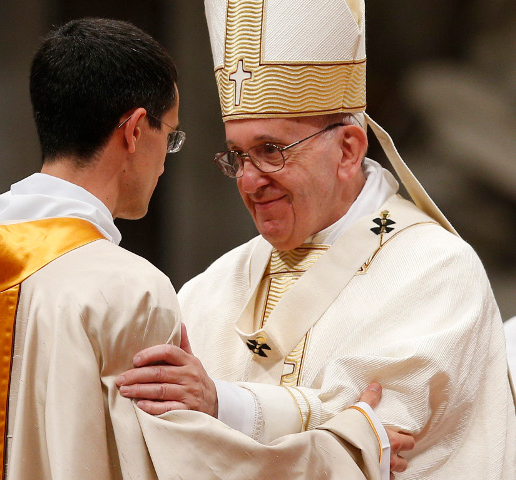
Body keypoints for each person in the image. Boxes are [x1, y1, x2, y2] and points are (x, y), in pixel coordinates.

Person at [0, 17, 409, 480]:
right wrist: (350, 446)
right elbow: (186, 467)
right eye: (169, 135)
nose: (165, 158)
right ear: (133, 132)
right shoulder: (122, 289)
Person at [117, 1, 516, 478]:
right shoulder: (211, 289)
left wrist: (222, 405)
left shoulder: (436, 268)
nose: (248, 180)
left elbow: (381, 439)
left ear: (348, 149)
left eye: (271, 151)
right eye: (237, 156)